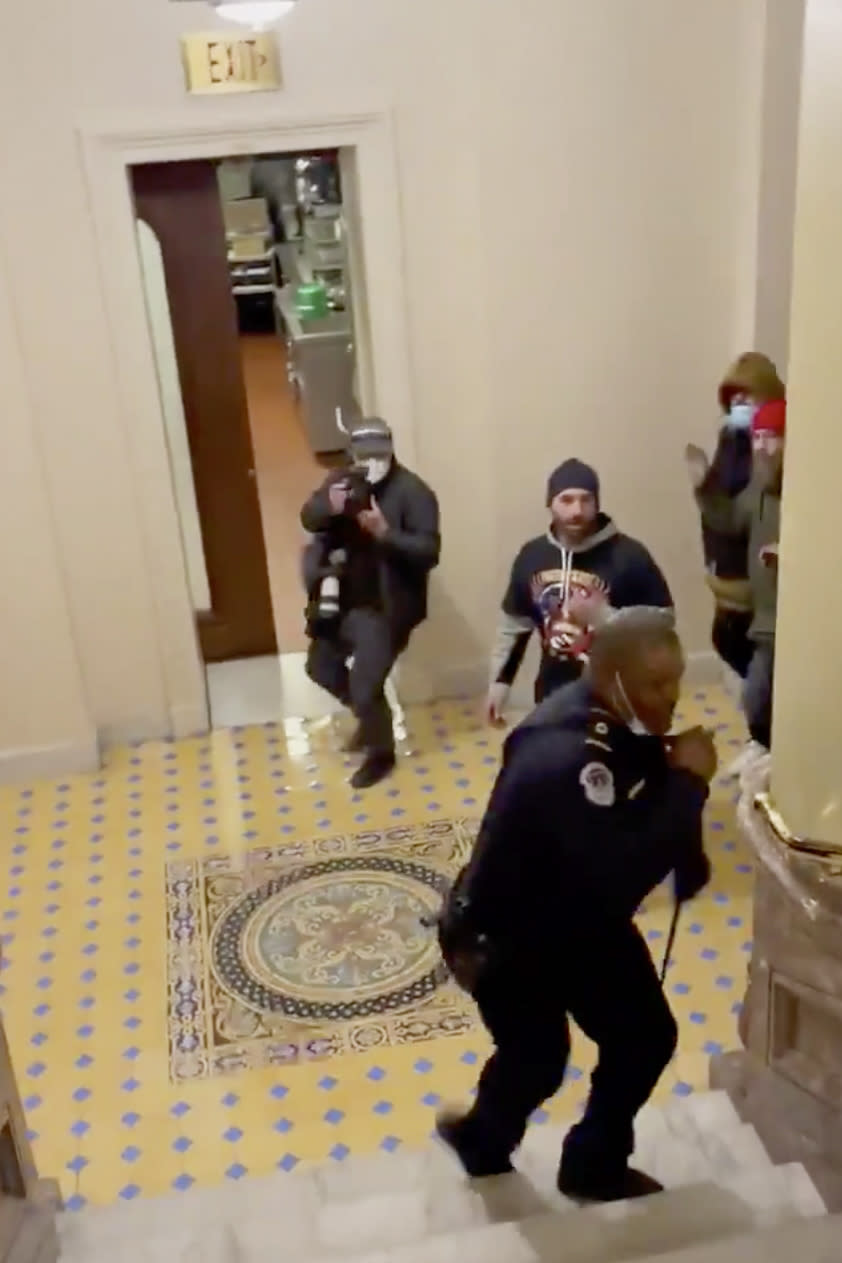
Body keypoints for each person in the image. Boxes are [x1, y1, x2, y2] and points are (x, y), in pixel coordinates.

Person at [435, 608, 716, 1202]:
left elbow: (643, 790)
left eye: (675, 681)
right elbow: (617, 873)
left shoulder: (617, 718)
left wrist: (685, 841)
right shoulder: (565, 756)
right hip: (506, 937)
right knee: (537, 1056)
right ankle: (482, 1140)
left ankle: (593, 1163)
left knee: (644, 1038)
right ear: (610, 676)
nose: (671, 698)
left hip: (574, 918)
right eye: (654, 685)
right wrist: (692, 786)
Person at [300, 418, 440, 788]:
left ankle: (381, 753)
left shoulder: (414, 492)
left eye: (379, 454)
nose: (371, 463)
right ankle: (371, 718)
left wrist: (385, 534)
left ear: (392, 451)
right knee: (320, 667)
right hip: (341, 601)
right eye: (364, 455)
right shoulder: (341, 480)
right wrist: (328, 507)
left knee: (365, 684)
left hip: (387, 607)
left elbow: (429, 552)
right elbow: (309, 517)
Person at [486, 459, 672, 723]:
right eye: (567, 500)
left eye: (586, 500)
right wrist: (500, 683)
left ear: (597, 503)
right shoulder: (532, 556)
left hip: (620, 695)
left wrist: (605, 616)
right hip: (553, 694)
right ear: (550, 503)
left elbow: (664, 618)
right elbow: (515, 625)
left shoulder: (629, 555)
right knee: (557, 760)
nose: (577, 510)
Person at [687, 398, 784, 754]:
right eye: (757, 438)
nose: (762, 447)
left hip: (788, 620)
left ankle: (766, 749)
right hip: (764, 617)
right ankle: (767, 748)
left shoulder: (803, 494)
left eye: (772, 438)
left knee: (757, 694)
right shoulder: (757, 491)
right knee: (760, 693)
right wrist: (704, 487)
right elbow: (727, 520)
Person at [692, 352, 785, 680]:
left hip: (757, 597)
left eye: (747, 394)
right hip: (724, 589)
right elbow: (722, 512)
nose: (739, 403)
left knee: (759, 689)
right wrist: (703, 483)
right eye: (733, 397)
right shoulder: (729, 440)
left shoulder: (776, 457)